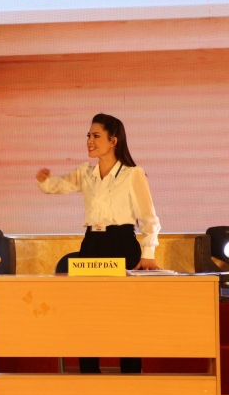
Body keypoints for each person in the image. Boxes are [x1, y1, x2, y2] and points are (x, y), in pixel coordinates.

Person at [36, 113, 161, 374]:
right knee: (88, 315)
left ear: (113, 141)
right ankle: (89, 376)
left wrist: (148, 252)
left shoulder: (133, 174)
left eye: (96, 136)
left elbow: (149, 218)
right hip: (92, 244)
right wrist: (45, 180)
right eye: (88, 136)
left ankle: (131, 377)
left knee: (125, 317)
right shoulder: (86, 172)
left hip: (122, 244)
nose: (89, 141)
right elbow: (57, 186)